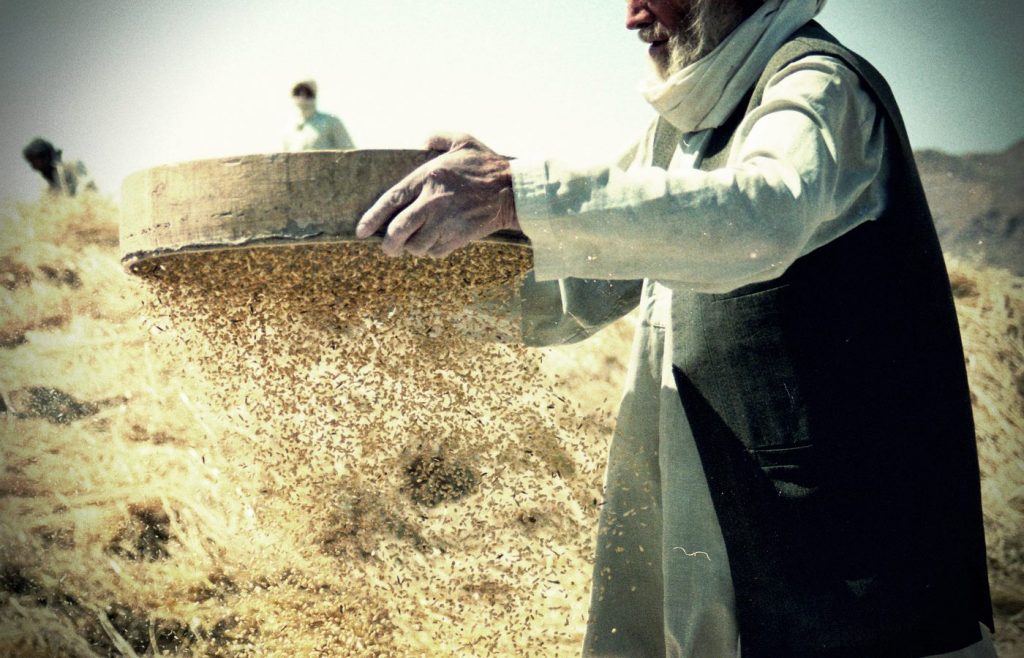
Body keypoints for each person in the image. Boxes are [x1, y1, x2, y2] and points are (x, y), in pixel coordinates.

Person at [356, 0, 996, 656]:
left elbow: (759, 216)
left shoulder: (820, 87)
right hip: (725, 536)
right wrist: (408, 300)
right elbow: (577, 287)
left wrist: (515, 192)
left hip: (843, 564)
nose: (632, 16)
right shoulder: (683, 131)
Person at [283, 78, 355, 151]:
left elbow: (351, 153)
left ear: (314, 94)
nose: (302, 96)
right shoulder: (289, 128)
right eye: (297, 92)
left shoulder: (331, 122)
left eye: (307, 92)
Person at [22, 138, 96, 197]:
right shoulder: (47, 183)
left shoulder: (72, 164)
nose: (33, 167)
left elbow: (86, 186)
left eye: (34, 161)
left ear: (44, 157)